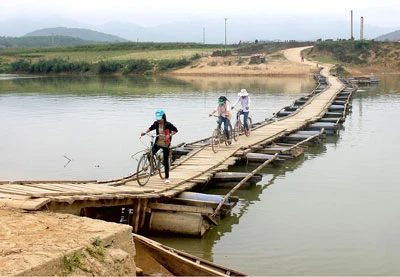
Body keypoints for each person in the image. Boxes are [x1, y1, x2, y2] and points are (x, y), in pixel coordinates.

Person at [141, 109, 178, 184]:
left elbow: (175, 130)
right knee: (149, 153)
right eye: (157, 119)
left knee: (165, 161)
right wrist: (145, 132)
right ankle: (153, 167)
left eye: (159, 119)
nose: (158, 121)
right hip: (158, 142)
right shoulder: (156, 123)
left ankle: (167, 177)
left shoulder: (168, 124)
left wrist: (169, 135)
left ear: (163, 117)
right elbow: (150, 128)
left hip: (165, 144)